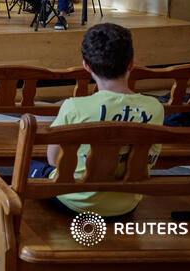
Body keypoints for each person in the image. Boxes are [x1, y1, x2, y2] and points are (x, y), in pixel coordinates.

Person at [27, 23, 164, 217]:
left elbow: (54, 159)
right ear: (131, 64)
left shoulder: (75, 107)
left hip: (75, 202)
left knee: (26, 166)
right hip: (126, 206)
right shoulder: (155, 108)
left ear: (86, 66)